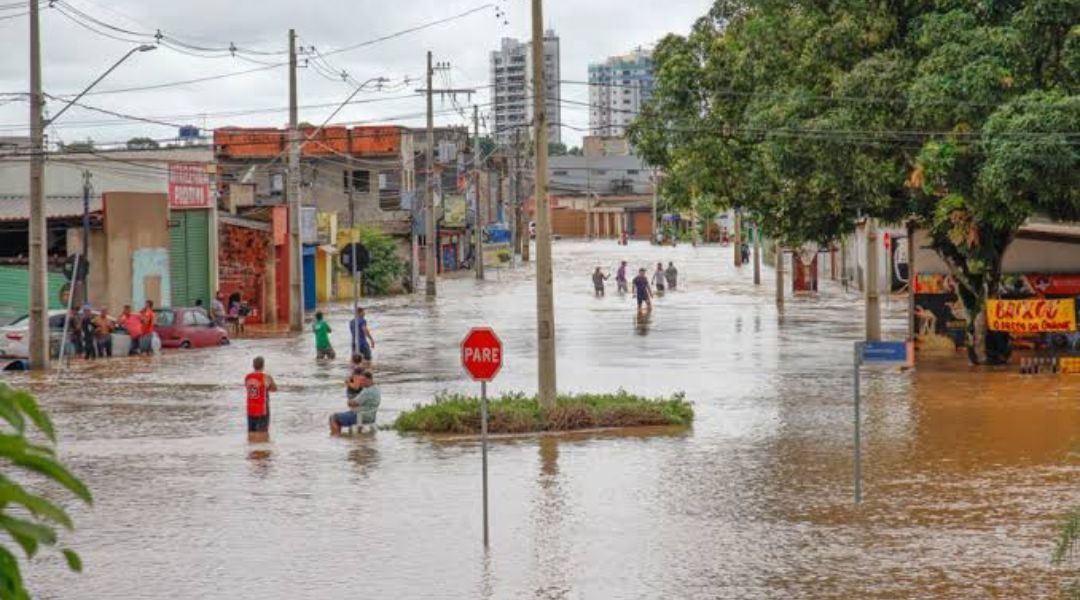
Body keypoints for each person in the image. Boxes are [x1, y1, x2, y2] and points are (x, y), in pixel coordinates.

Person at [330, 370, 382, 435]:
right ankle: (339, 436)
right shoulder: (376, 388)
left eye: (363, 380)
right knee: (341, 416)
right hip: (371, 417)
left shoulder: (367, 391)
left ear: (369, 380)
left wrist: (349, 401)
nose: (361, 382)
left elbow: (352, 403)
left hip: (361, 416)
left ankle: (336, 437)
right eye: (361, 380)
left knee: (333, 417)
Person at [244, 356, 277, 441]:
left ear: (253, 365)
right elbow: (274, 389)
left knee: (251, 434)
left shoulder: (247, 377)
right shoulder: (266, 377)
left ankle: (251, 449)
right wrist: (271, 380)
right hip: (262, 410)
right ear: (263, 365)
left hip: (250, 409)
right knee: (262, 435)